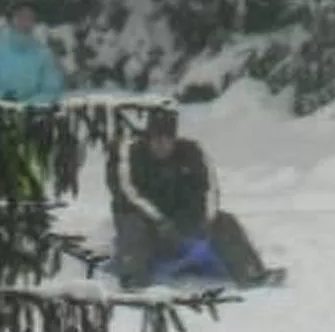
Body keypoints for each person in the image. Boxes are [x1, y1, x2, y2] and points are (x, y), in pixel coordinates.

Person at [105, 102, 275, 289]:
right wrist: (159, 221)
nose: (161, 145)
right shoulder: (131, 153)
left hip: (181, 221)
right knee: (134, 225)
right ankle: (133, 278)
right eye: (155, 139)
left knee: (225, 221)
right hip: (144, 219)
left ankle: (251, 274)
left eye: (166, 139)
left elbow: (209, 188)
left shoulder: (191, 153)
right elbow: (128, 192)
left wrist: (206, 220)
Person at [0, 0, 65, 104]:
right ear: (11, 20)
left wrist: (28, 106)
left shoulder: (44, 55)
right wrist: (0, 96)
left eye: (30, 18)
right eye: (20, 17)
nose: (25, 23)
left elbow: (51, 90)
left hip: (32, 114)